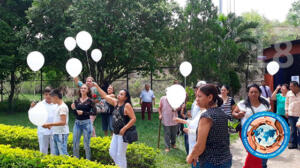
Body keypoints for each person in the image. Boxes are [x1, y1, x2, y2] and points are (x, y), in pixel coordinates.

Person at [187, 84, 232, 168]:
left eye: (199, 96)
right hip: (226, 160)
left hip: (210, 162)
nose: (197, 99)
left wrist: (190, 157)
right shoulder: (221, 113)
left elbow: (200, 146)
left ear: (210, 97)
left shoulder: (206, 116)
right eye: (196, 96)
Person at [93, 83, 136, 168]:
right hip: (116, 133)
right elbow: (105, 96)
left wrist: (124, 128)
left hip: (123, 134)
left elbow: (133, 119)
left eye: (121, 94)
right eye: (119, 93)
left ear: (126, 98)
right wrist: (97, 87)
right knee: (112, 152)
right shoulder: (115, 103)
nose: (119, 95)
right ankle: (119, 166)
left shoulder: (127, 105)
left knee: (120, 154)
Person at [232, 84, 270, 168]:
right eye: (251, 92)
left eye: (256, 92)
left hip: (262, 133)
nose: (253, 94)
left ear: (259, 93)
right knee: (253, 152)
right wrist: (238, 115)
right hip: (245, 132)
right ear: (248, 93)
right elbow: (234, 113)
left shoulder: (265, 104)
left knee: (256, 153)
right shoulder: (242, 104)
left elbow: (271, 117)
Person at [71, 84, 96, 160]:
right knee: (75, 143)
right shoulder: (77, 100)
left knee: (86, 144)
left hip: (86, 124)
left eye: (85, 88)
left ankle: (88, 161)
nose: (83, 89)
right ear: (80, 90)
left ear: (88, 90)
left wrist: (84, 113)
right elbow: (75, 113)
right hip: (77, 123)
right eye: (82, 88)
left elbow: (94, 112)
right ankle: (76, 160)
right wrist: (74, 109)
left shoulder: (90, 101)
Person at [42, 89, 69, 156]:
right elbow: (57, 120)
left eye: (51, 98)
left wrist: (49, 124)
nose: (51, 100)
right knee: (56, 154)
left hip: (61, 133)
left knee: (63, 154)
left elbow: (63, 122)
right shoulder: (58, 106)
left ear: (55, 97)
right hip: (56, 132)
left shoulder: (62, 107)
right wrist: (49, 126)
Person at [31, 86, 57, 155]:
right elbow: (33, 115)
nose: (48, 96)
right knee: (43, 150)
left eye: (50, 94)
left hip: (54, 130)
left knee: (54, 150)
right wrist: (31, 107)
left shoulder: (56, 104)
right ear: (43, 95)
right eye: (46, 94)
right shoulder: (40, 104)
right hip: (42, 130)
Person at [285, 81, 300, 149]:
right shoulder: (289, 93)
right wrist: (286, 111)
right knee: (293, 130)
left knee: (299, 130)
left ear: (296, 86)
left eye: (291, 86)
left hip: (299, 115)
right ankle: (293, 144)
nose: (290, 88)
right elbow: (286, 103)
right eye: (290, 86)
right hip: (291, 114)